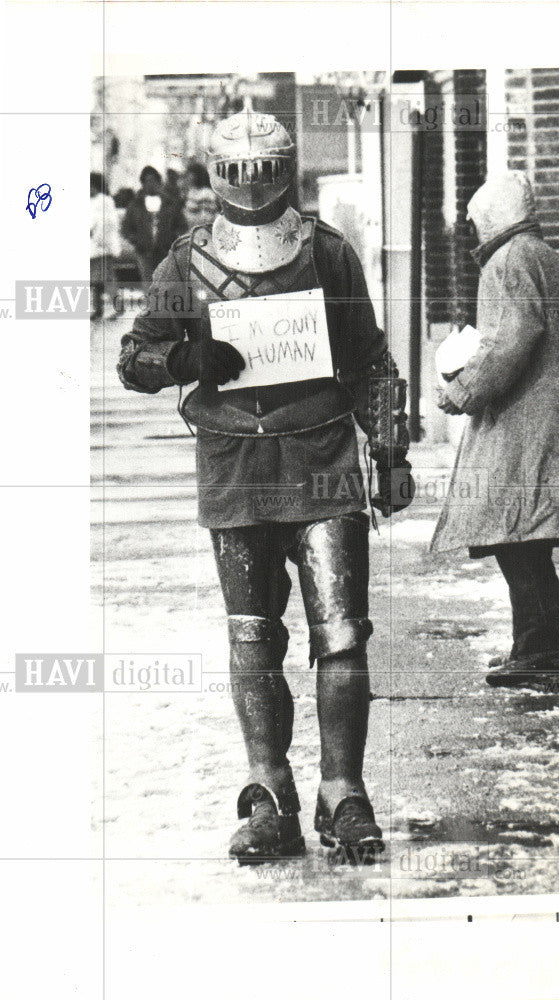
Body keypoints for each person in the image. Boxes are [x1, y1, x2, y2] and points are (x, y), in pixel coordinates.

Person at [117, 110, 414, 864]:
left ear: (282, 171)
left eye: (261, 170)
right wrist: (186, 357)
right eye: (237, 171)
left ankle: (342, 789)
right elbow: (136, 358)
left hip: (320, 459)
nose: (250, 185)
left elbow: (369, 359)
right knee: (252, 636)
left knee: (341, 637)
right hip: (236, 466)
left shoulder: (326, 253)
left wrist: (388, 448)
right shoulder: (185, 263)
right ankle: (268, 788)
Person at [431, 171, 559, 686]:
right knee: (525, 536)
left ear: (491, 218)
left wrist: (461, 390)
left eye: (472, 223)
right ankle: (542, 641)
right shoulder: (543, 256)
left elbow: (507, 340)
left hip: (525, 422)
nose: (471, 234)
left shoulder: (506, 261)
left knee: (515, 533)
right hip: (550, 417)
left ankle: (542, 647)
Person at [121, 166, 183, 283]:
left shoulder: (170, 203)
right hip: (144, 252)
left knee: (165, 283)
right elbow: (126, 228)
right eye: (147, 181)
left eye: (154, 181)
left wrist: (173, 239)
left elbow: (181, 224)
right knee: (148, 283)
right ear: (143, 184)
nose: (151, 184)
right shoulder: (135, 204)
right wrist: (136, 240)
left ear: (159, 182)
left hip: (166, 251)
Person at [89, 172, 121, 320]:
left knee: (107, 279)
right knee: (95, 280)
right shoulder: (92, 201)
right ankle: (98, 309)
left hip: (102, 246)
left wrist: (98, 239)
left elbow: (107, 224)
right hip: (94, 247)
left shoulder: (105, 201)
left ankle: (117, 306)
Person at [180, 164, 219, 231]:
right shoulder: (190, 191)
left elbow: (208, 215)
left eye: (190, 175)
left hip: (202, 229)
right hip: (190, 228)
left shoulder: (207, 193)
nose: (188, 178)